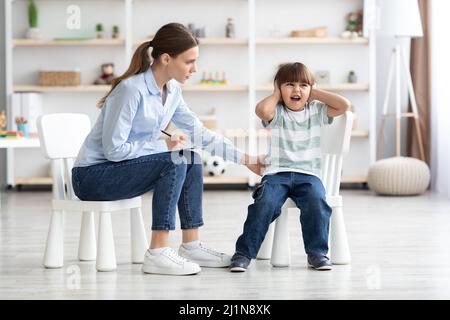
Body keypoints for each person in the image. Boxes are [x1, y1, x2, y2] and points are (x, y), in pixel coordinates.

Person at [71, 23, 264, 276]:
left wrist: (246, 159)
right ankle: (157, 252)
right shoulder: (131, 90)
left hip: (120, 171)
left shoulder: (172, 91)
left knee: (191, 157)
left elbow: (200, 133)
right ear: (165, 58)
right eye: (189, 62)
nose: (194, 69)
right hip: (92, 177)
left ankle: (190, 245)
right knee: (175, 159)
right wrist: (162, 143)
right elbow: (114, 151)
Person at [229, 62, 350, 272]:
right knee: (264, 203)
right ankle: (244, 253)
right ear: (279, 89)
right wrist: (276, 93)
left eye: (303, 85)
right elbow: (261, 110)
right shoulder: (277, 112)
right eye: (290, 85)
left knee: (316, 202)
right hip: (277, 174)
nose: (297, 90)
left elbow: (344, 105)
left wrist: (314, 91)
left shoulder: (316, 111)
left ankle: (317, 253)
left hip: (309, 175)